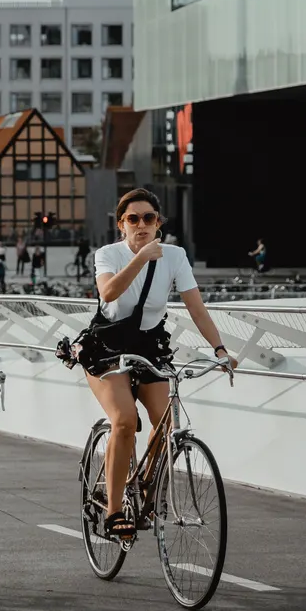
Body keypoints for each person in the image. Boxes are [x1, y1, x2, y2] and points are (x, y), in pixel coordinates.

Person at [76, 188, 236, 542]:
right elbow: (108, 293)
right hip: (107, 349)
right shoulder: (108, 254)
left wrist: (220, 349)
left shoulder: (175, 257)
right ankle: (115, 509)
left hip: (150, 347)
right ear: (122, 226)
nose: (142, 225)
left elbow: (196, 307)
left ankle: (147, 485)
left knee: (166, 422)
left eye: (149, 218)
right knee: (124, 420)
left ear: (158, 223)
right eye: (133, 219)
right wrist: (141, 258)